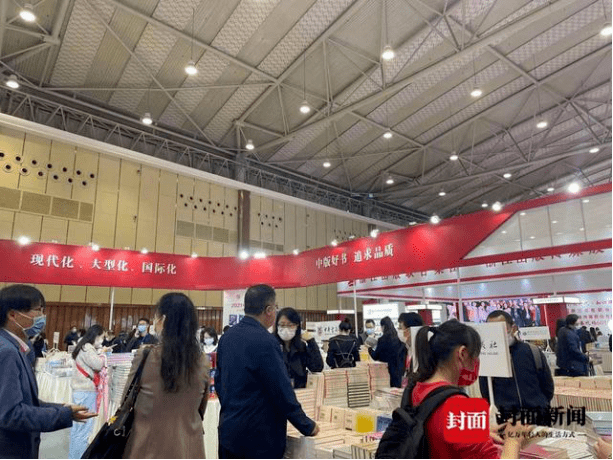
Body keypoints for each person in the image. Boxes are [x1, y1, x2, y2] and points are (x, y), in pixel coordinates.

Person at [403, 320, 535, 459]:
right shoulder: (460, 406)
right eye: (475, 356)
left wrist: (477, 432)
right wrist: (513, 440)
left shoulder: (416, 388)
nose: (476, 363)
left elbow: (437, 432)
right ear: (463, 354)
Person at [216, 285, 318, 458]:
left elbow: (219, 382)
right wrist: (306, 425)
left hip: (229, 431)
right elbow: (281, 390)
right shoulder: (266, 342)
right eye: (275, 307)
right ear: (269, 310)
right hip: (258, 438)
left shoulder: (227, 337)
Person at [0, 284, 96, 458]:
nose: (43, 317)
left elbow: (24, 401)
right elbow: (10, 414)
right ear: (13, 315)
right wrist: (62, 414)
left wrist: (62, 409)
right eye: (38, 310)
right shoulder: (7, 352)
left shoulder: (16, 347)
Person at [123, 293, 209, 458]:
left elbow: (127, 401)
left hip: (145, 448)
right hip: (189, 449)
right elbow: (201, 408)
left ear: (162, 319)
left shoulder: (146, 355)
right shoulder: (203, 360)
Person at [479, 311, 554, 424]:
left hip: (538, 418)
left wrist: (540, 405)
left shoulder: (532, 351)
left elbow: (547, 387)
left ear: (513, 328)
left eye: (502, 328)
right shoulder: (488, 358)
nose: (498, 333)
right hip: (507, 422)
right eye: (493, 330)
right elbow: (486, 392)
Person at [69, 324, 107, 459]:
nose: (102, 340)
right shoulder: (88, 348)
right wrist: (102, 354)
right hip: (86, 391)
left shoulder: (82, 346)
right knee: (83, 430)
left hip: (80, 390)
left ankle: (74, 456)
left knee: (77, 429)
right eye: (102, 337)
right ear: (96, 336)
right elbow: (98, 365)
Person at [274, 307, 323, 389]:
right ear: (277, 325)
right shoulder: (271, 345)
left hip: (299, 392)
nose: (286, 329)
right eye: (282, 325)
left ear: (297, 326)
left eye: (290, 325)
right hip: (277, 393)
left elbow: (317, 367)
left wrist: (311, 342)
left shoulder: (301, 347)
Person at [367, 316, 406, 387]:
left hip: (385, 373)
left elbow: (375, 356)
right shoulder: (399, 339)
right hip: (399, 372)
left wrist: (369, 349)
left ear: (383, 327)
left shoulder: (382, 340)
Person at [397, 312, 424, 386]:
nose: (399, 331)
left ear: (410, 330)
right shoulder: (404, 348)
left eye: (401, 328)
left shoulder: (422, 350)